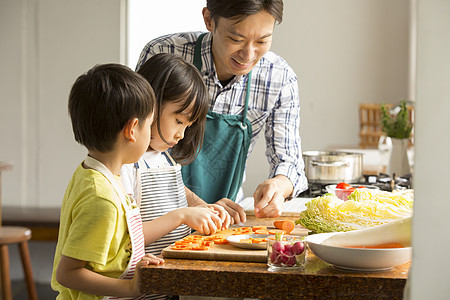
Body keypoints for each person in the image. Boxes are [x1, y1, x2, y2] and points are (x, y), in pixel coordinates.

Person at [135, 0, 308, 223]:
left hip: (225, 218)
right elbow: (134, 143)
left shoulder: (279, 77)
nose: (248, 54)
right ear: (209, 19)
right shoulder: (164, 53)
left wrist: (279, 185)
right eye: (236, 39)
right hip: (157, 214)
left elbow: (290, 163)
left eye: (262, 40)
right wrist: (197, 205)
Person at [51, 63, 164, 299]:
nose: (151, 133)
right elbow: (68, 273)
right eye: (150, 124)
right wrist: (130, 288)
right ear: (132, 129)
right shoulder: (102, 198)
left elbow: (104, 251)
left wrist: (129, 263)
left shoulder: (94, 173)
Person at [121, 53, 231, 259]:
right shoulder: (125, 164)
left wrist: (201, 207)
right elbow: (123, 239)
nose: (181, 135)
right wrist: (181, 216)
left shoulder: (162, 156)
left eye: (188, 126)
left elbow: (171, 190)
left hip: (168, 280)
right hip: (139, 285)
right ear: (151, 104)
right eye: (179, 121)